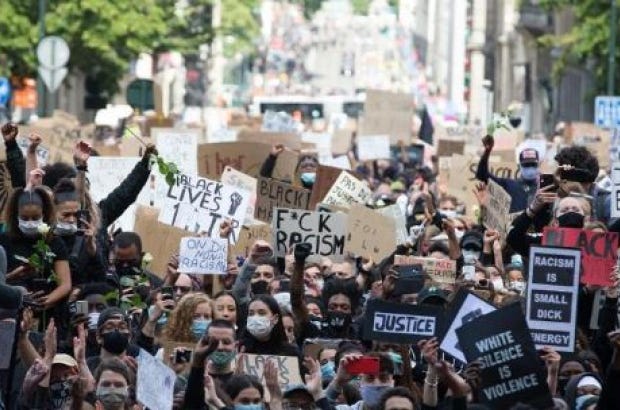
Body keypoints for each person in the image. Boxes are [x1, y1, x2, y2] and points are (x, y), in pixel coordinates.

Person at [1, 187, 71, 311]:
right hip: (11, 308)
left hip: (46, 309)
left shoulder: (54, 242)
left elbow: (65, 284)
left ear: (44, 215)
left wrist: (46, 300)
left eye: (35, 218)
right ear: (16, 216)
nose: (30, 223)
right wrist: (12, 276)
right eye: (25, 218)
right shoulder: (4, 241)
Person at [52, 178, 106, 286]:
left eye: (75, 215)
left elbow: (100, 278)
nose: (72, 220)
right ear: (53, 213)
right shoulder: (46, 239)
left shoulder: (87, 237)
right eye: (66, 215)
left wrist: (93, 250)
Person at [476, 137, 539, 212]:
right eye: (527, 165)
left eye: (533, 165)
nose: (530, 168)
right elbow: (482, 174)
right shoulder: (509, 185)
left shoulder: (543, 188)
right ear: (519, 166)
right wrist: (487, 151)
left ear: (538, 165)